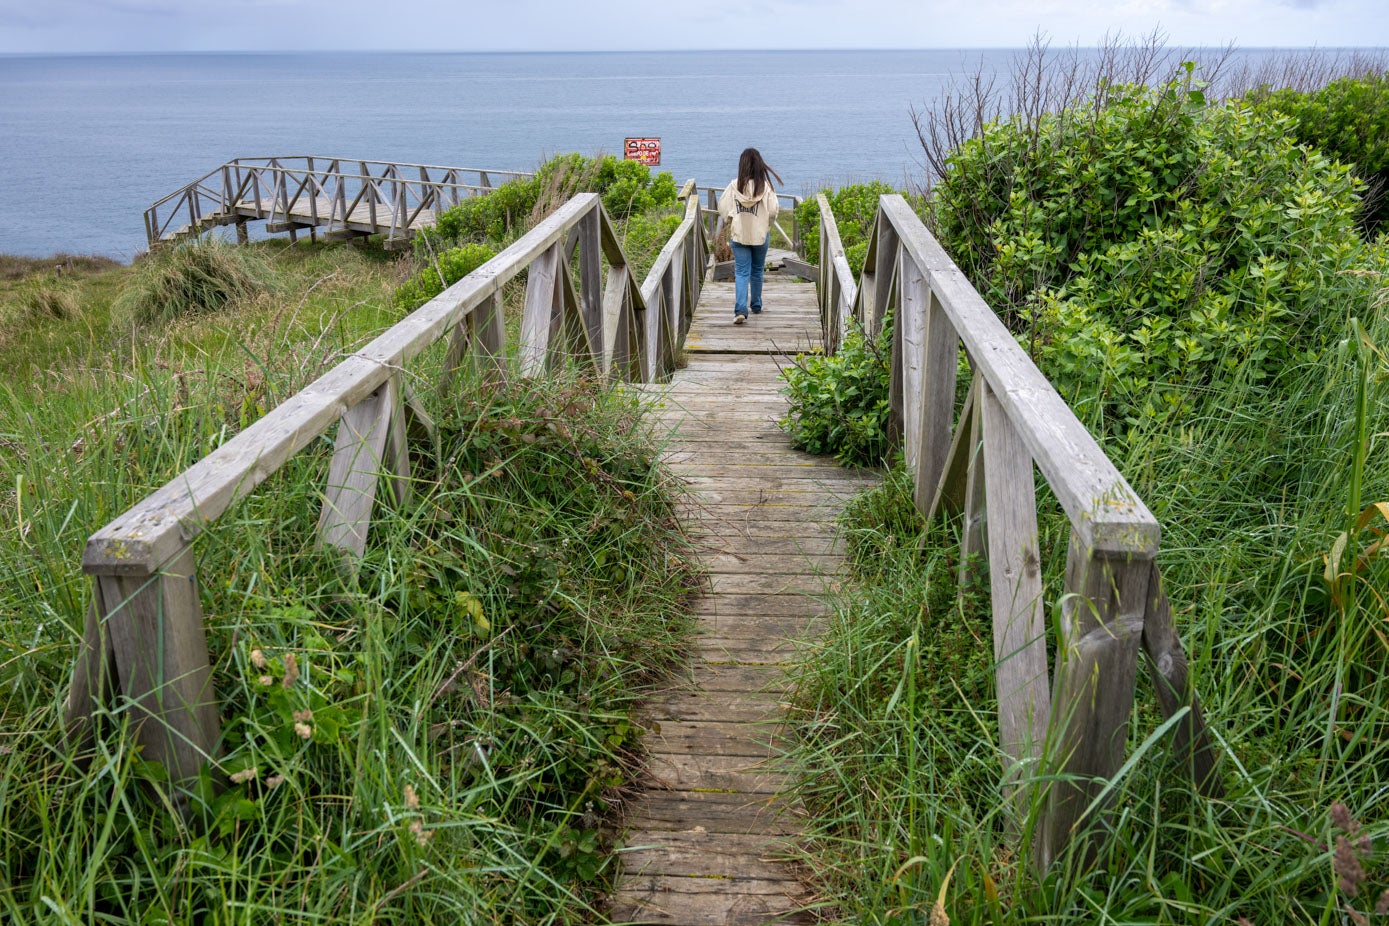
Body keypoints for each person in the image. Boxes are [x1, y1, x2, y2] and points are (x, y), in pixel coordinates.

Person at [718, 148, 782, 325]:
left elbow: (722, 208)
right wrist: (766, 222)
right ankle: (756, 304)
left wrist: (731, 219)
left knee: (741, 271)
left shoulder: (734, 186)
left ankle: (740, 309)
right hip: (760, 235)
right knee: (757, 269)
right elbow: (773, 210)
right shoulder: (765, 188)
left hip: (739, 235)